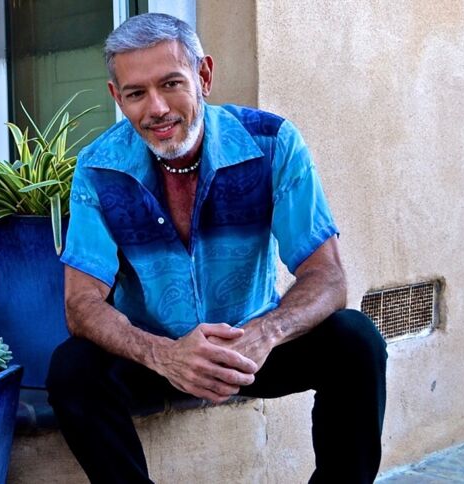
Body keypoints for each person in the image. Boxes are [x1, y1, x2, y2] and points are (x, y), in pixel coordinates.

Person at [47, 12, 387, 484]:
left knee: (356, 341)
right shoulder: (98, 168)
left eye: (171, 84)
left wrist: (265, 334)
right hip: (156, 352)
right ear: (116, 97)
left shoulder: (271, 143)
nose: (157, 108)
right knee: (72, 369)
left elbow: (327, 276)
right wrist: (163, 355)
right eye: (136, 93)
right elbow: (81, 303)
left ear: (204, 76)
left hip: (250, 347)